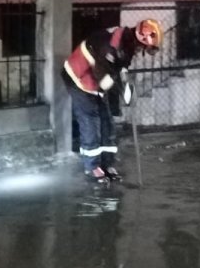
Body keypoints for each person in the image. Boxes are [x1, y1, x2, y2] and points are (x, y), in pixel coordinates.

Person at [63, 19, 162, 184]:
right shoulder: (111, 47)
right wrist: (122, 92)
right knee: (91, 121)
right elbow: (104, 78)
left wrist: (127, 88)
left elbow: (121, 69)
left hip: (96, 79)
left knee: (107, 121)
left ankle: (107, 164)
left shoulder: (128, 44)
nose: (141, 51)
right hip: (78, 77)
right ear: (141, 37)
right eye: (143, 47)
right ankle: (92, 167)